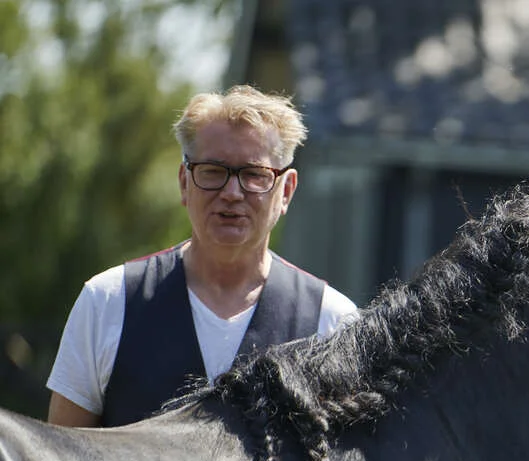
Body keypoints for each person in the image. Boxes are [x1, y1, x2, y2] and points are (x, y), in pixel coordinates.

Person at [46, 84, 357, 428]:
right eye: (212, 171)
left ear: (285, 191)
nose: (232, 193)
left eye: (254, 175)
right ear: (184, 182)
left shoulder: (332, 325)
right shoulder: (108, 302)